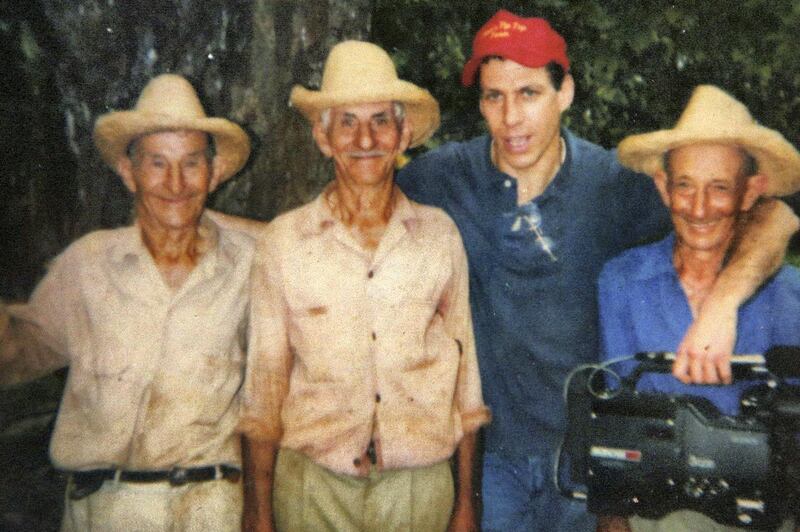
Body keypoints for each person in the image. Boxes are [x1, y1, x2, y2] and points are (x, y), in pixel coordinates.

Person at [394, 9, 799, 531]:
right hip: (490, 459)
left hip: (592, 453)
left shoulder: (612, 184)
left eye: (529, 93)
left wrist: (723, 304)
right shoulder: (445, 177)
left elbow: (772, 213)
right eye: (494, 96)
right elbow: (352, 211)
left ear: (565, 94)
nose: (511, 118)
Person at [239, 40, 490, 532]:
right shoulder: (284, 242)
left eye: (380, 120)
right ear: (323, 136)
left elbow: (468, 388)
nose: (365, 138)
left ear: (403, 133)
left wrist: (467, 505)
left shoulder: (439, 236)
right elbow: (262, 393)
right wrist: (257, 512)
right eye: (347, 122)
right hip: (313, 486)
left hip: (418, 488)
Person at [0, 73, 256, 531]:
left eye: (192, 163)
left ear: (214, 173)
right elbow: (21, 352)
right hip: (104, 508)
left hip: (209, 508)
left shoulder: (252, 260)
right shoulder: (87, 263)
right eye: (157, 163)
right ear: (128, 172)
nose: (175, 182)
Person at [597, 85, 800, 532]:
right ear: (663, 187)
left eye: (720, 188)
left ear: (751, 192)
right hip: (653, 514)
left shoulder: (790, 296)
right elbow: (611, 412)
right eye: (685, 186)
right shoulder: (622, 282)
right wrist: (611, 515)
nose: (700, 208)